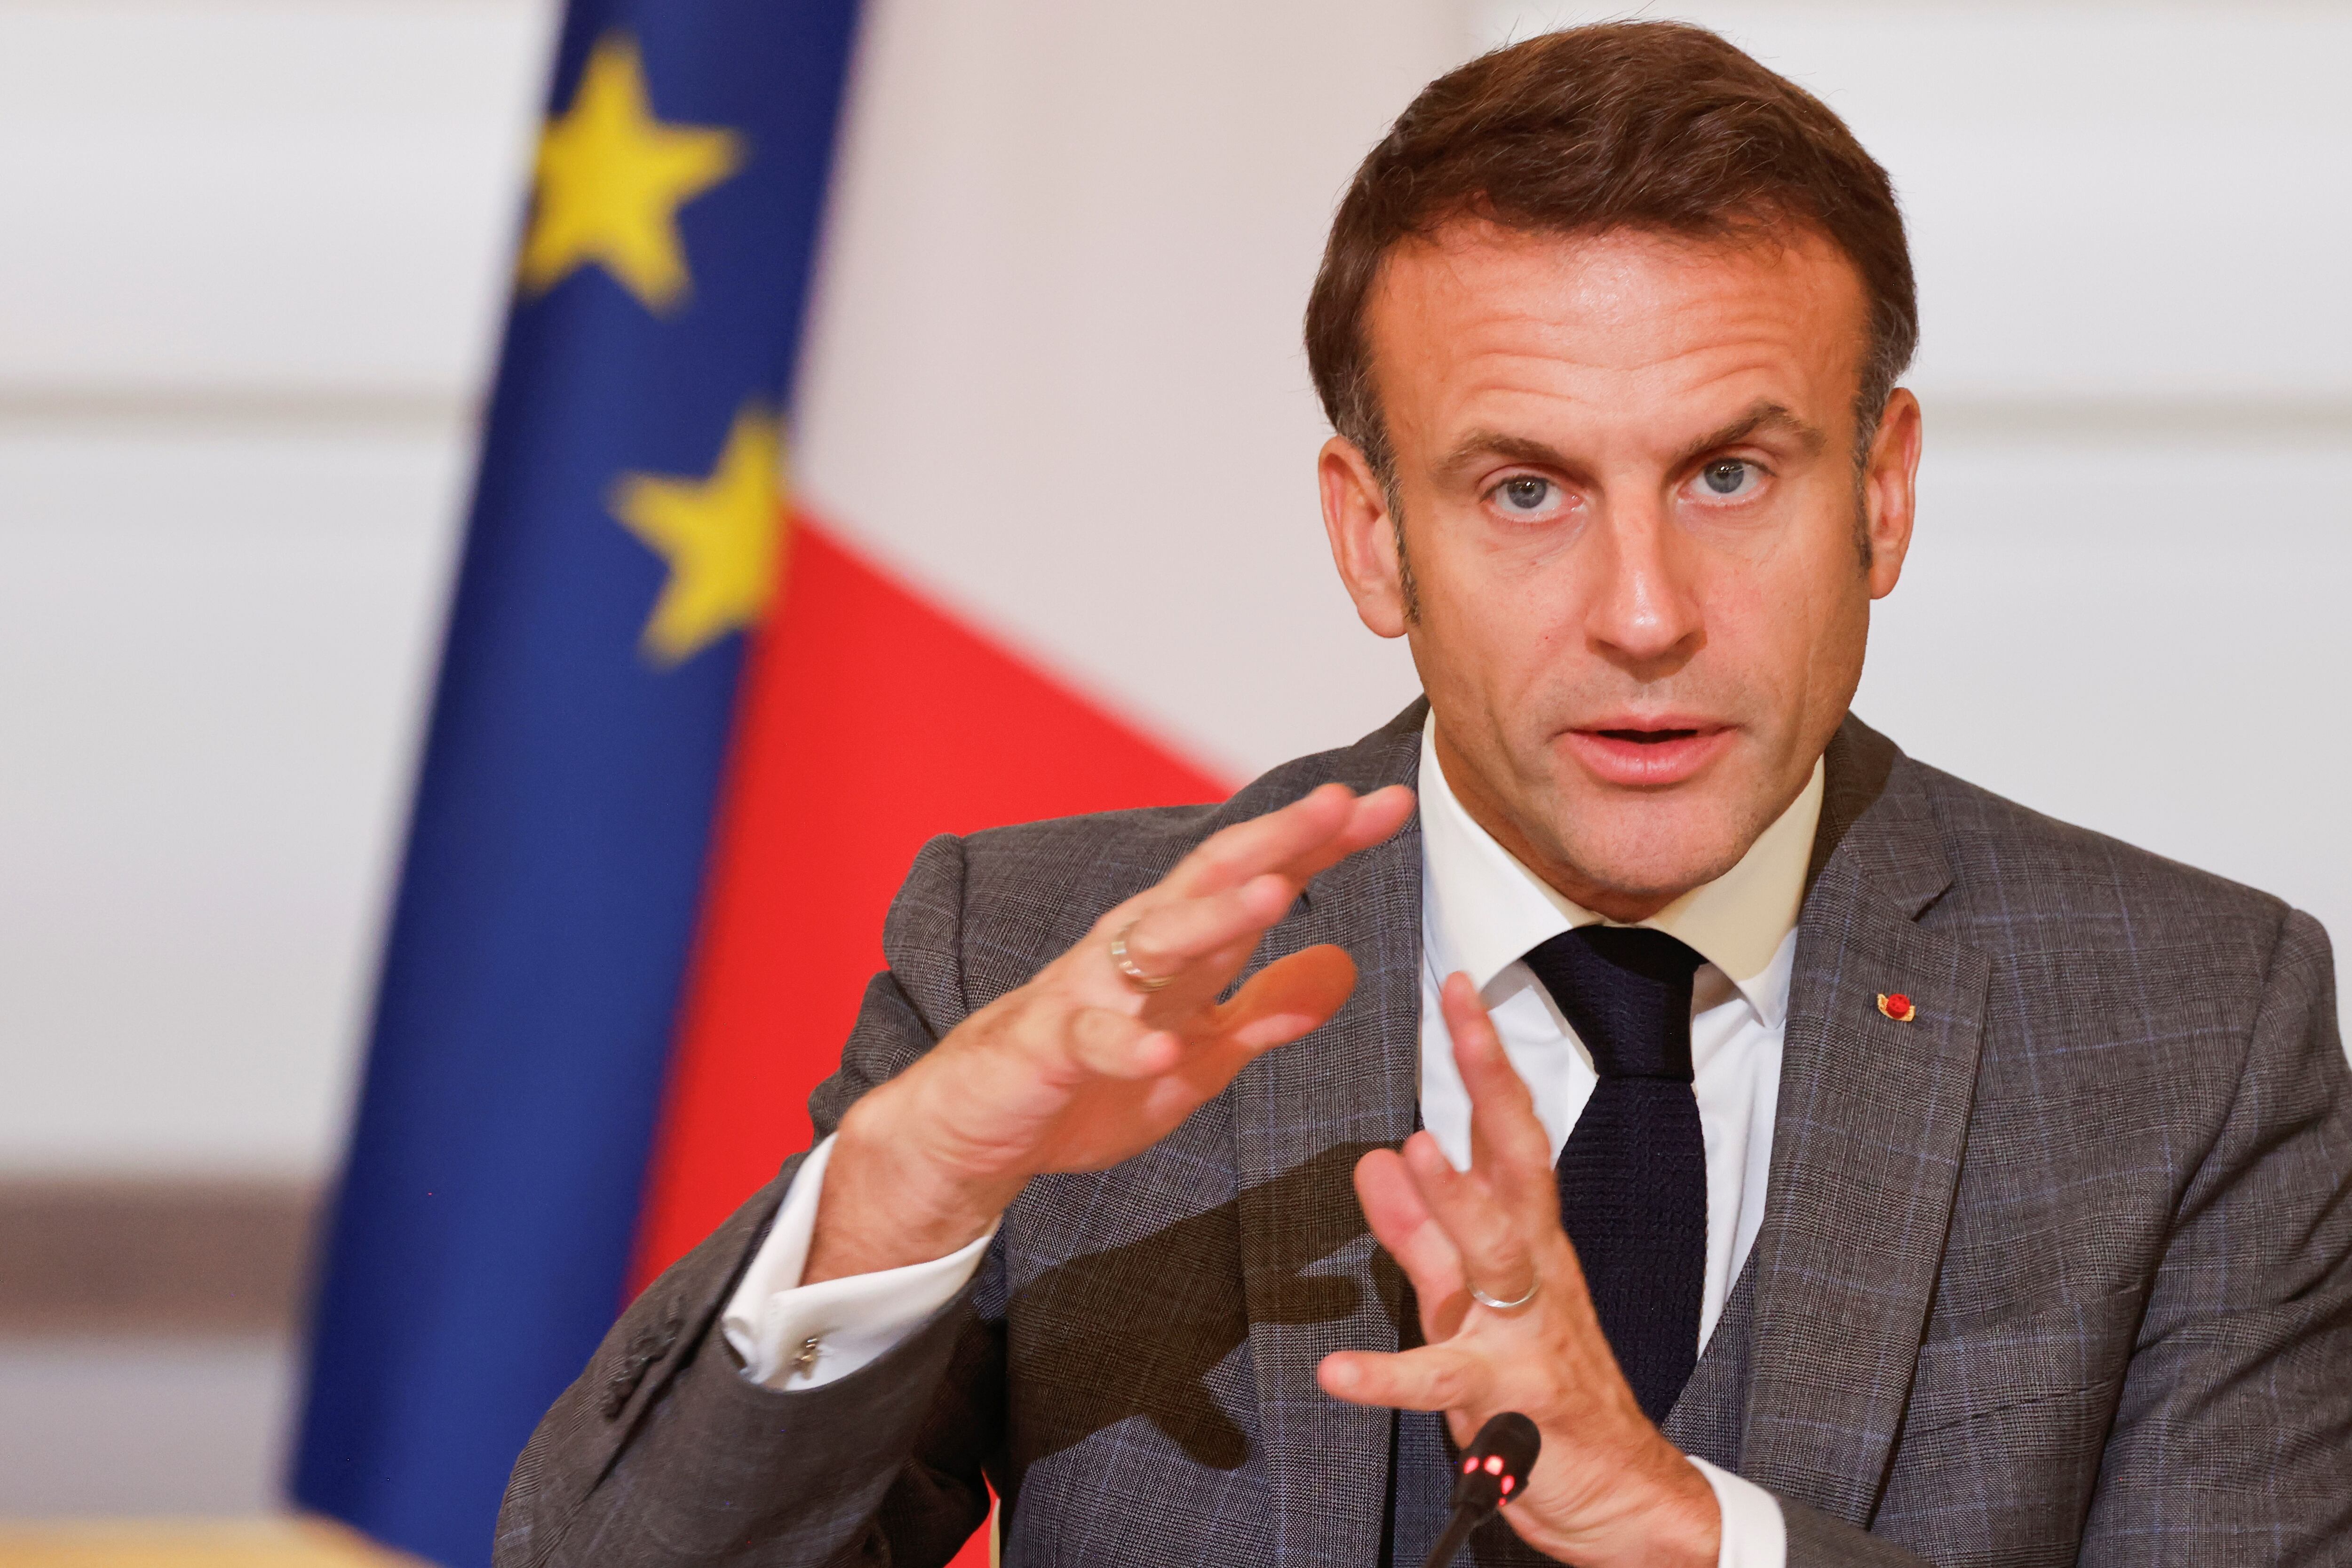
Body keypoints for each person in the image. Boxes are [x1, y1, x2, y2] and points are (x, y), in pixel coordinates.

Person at [495, 21, 2352, 1567]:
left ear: (1880, 493)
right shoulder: (1041, 961)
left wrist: (1692, 1534)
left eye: (1727, 474)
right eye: (1525, 491)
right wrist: (899, 1195)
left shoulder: (2195, 1027)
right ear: (1373, 538)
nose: (1643, 614)